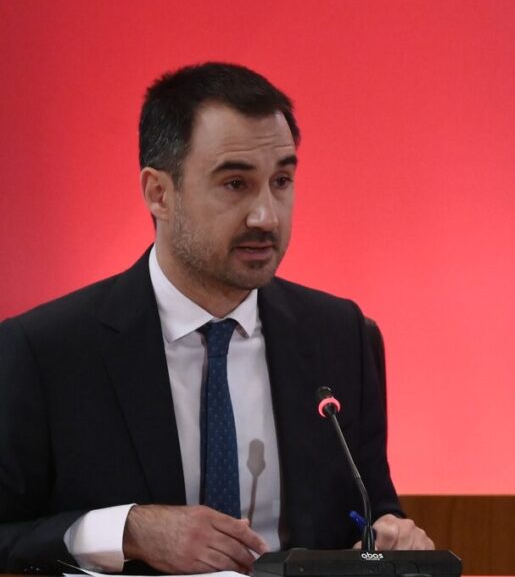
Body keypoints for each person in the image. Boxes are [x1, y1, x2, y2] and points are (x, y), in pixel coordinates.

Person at [0, 62, 433, 574]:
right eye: (235, 183)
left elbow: (371, 512)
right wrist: (127, 530)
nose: (266, 216)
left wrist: (392, 538)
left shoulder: (340, 336)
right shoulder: (47, 351)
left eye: (281, 181)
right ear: (159, 193)